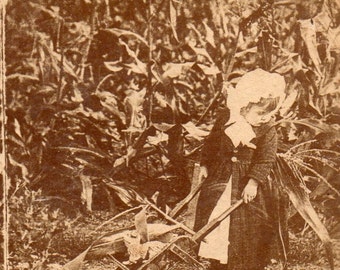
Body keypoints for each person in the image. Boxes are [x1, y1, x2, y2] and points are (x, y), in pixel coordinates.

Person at [194, 68, 288, 270]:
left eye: (270, 113)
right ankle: (219, 261)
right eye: (261, 113)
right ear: (245, 106)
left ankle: (244, 263)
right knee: (217, 220)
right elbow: (211, 143)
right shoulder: (227, 119)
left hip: (246, 183)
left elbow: (266, 159)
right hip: (221, 178)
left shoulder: (267, 129)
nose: (265, 118)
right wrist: (204, 164)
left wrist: (253, 182)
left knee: (245, 226)